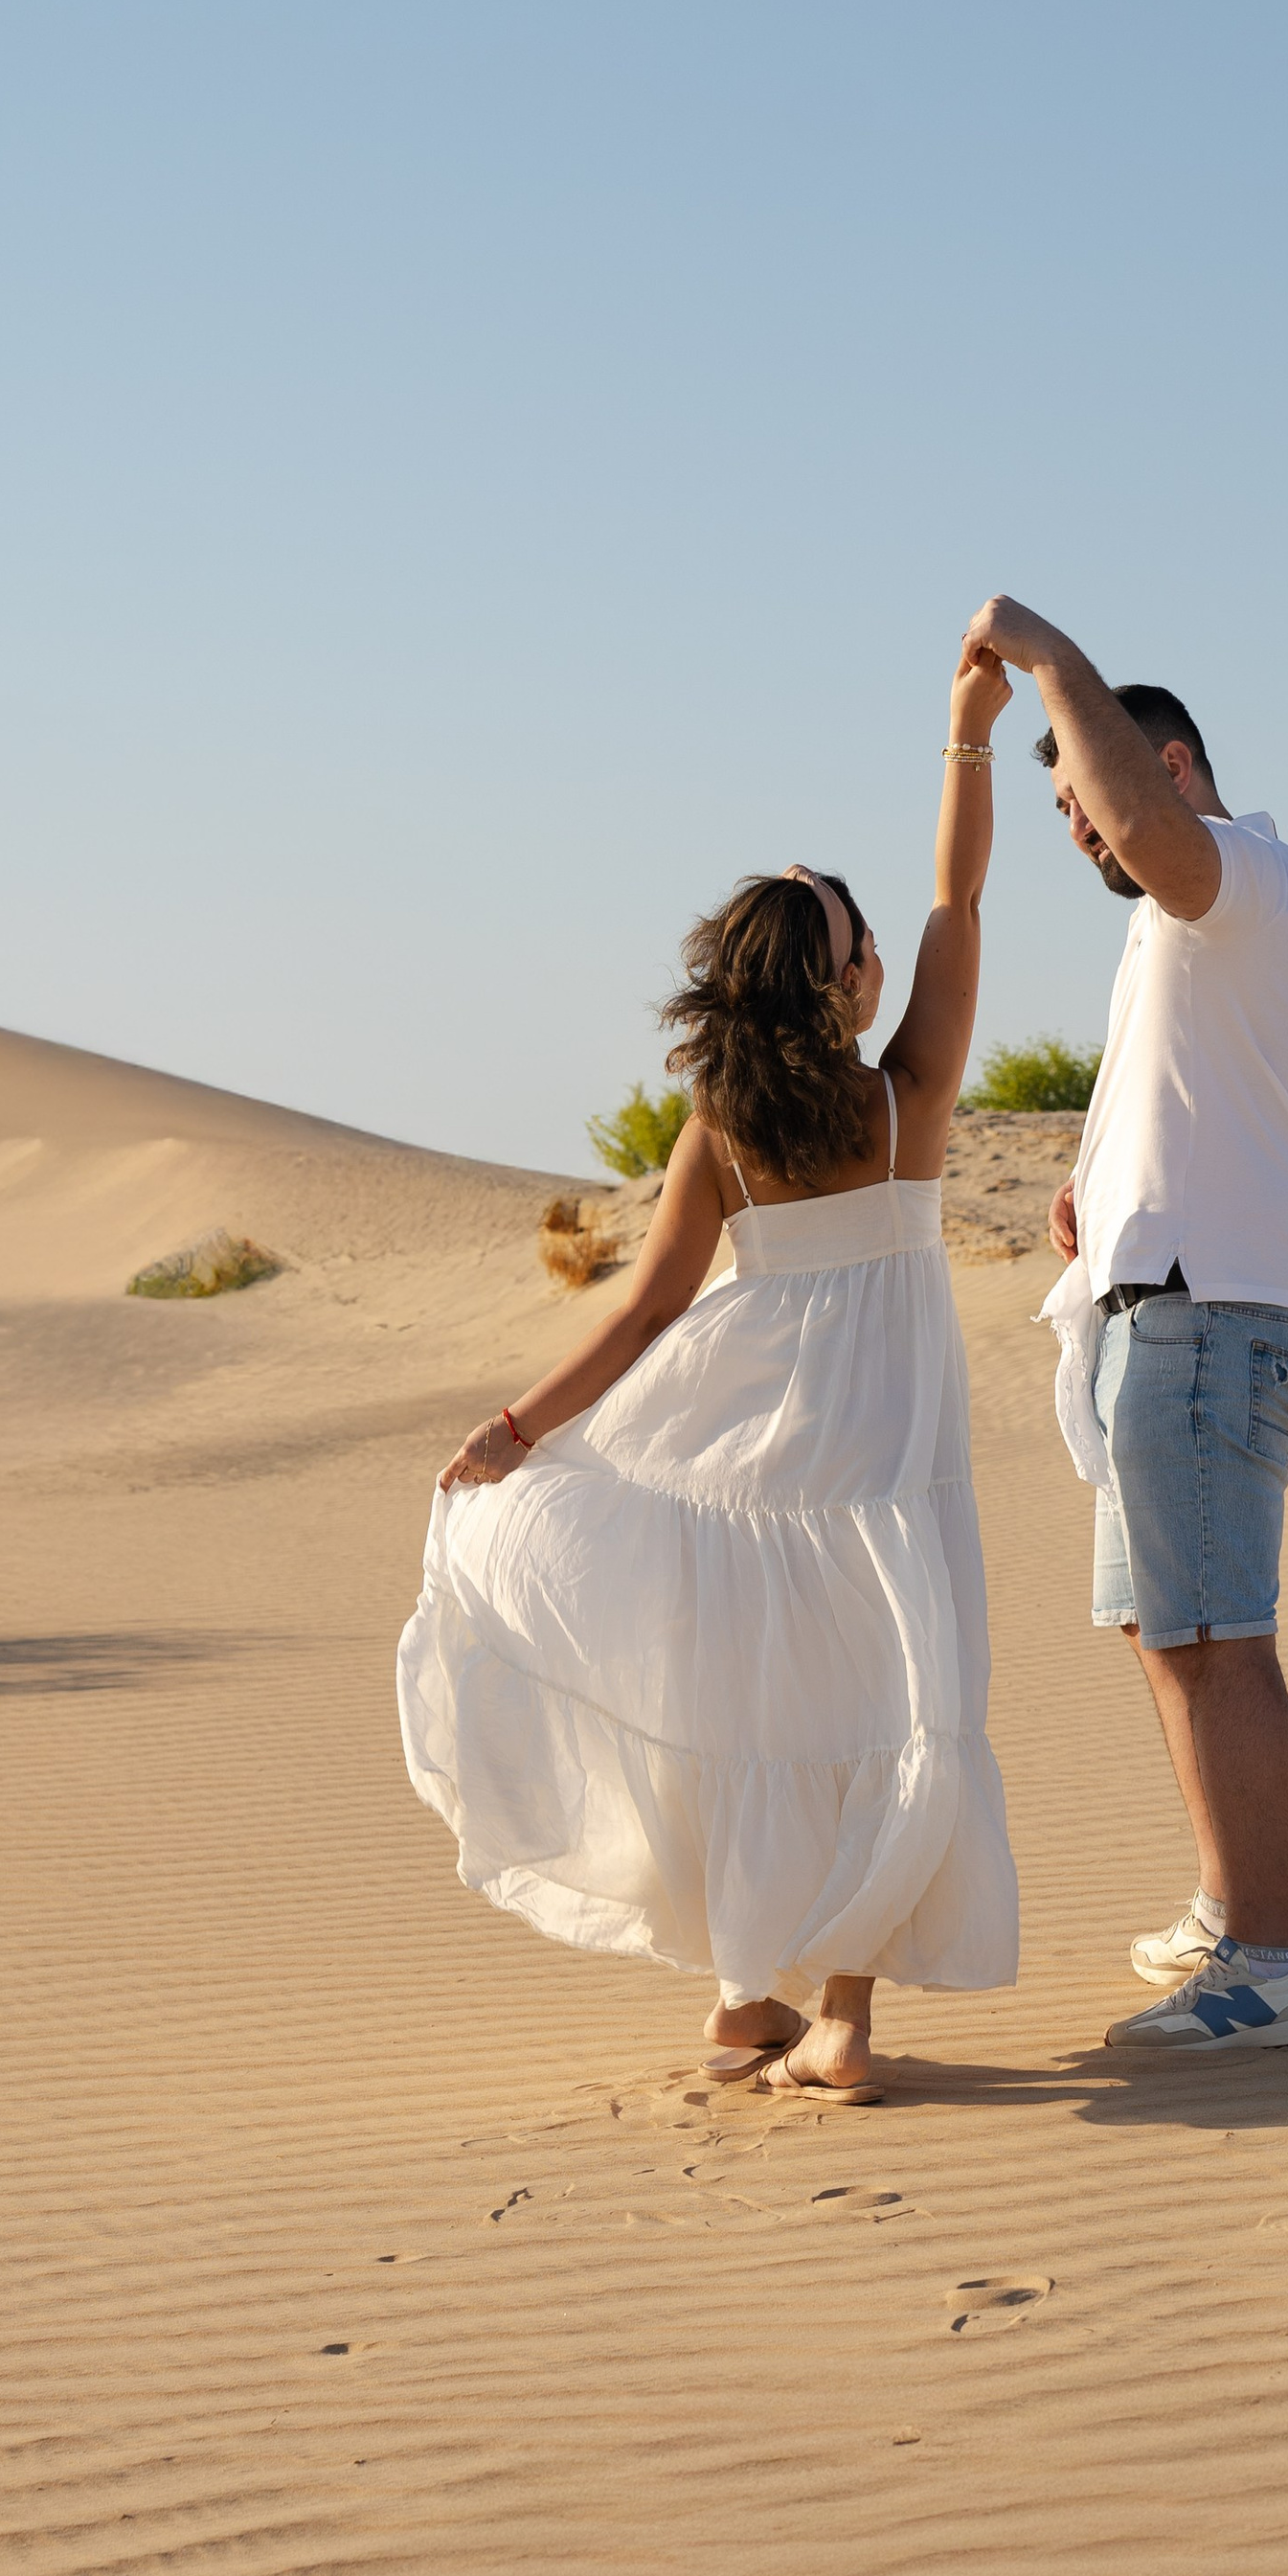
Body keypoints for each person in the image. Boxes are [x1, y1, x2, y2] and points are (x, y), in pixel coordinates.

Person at [395, 640, 1022, 2102]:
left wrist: (511, 1431)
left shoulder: (723, 1135)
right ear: (850, 987)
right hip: (888, 1477)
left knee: (755, 1714)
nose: (884, 954)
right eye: (864, 944)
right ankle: (841, 2019)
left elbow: (638, 1321)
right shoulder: (906, 1101)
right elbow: (962, 898)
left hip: (756, 1470)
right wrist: (966, 741)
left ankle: (750, 1999)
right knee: (888, 1718)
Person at [962, 593, 1288, 2058]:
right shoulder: (1193, 930)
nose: (1084, 835)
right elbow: (1199, 1095)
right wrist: (1093, 1184)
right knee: (1163, 1629)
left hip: (1213, 1320)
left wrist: (1047, 658)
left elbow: (1154, 839)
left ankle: (1270, 1962)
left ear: (1169, 765)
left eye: (1090, 798)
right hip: (1163, 1308)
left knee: (1217, 1637)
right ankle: (1228, 1902)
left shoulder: (1243, 873)